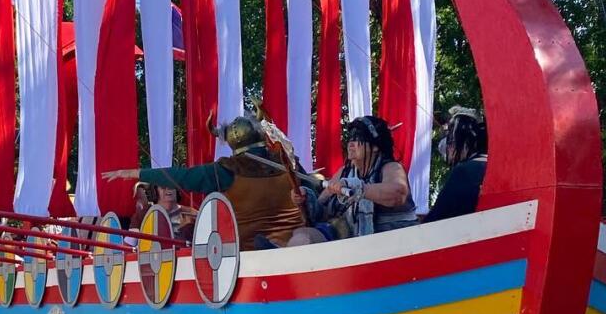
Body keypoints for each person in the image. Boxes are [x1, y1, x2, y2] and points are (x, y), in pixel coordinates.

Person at [103, 115, 305, 250]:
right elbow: (314, 193)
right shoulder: (287, 161)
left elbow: (180, 176)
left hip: (249, 252)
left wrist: (132, 172)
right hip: (296, 243)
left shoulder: (226, 170)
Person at [286, 116, 415, 246]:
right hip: (349, 238)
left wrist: (357, 187)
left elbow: (398, 193)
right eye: (350, 139)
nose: (351, 144)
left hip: (392, 240)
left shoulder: (390, 168)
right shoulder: (345, 172)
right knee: (302, 237)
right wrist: (305, 198)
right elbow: (321, 208)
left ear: (375, 146)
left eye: (358, 139)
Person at [424, 107, 488, 223]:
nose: (449, 148)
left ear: (463, 141)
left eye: (451, 142)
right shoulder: (493, 166)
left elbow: (436, 218)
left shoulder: (465, 171)